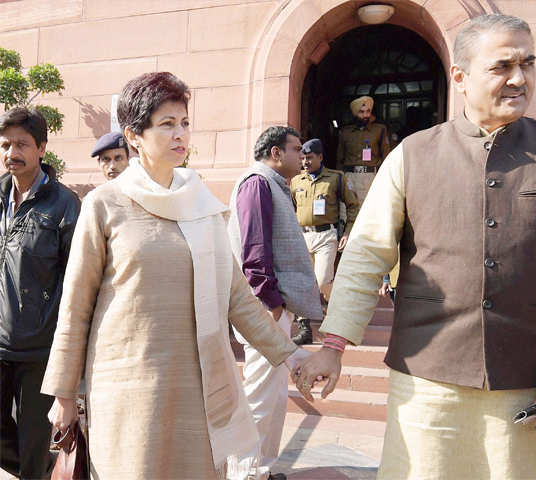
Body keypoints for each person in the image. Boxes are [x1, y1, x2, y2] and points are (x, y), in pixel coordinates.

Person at [296, 14, 536, 479]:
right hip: (427, 389)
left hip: (534, 384)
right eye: (502, 66)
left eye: (528, 64)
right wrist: (333, 344)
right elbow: (366, 257)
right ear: (461, 77)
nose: (519, 78)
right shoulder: (411, 154)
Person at [41, 72, 310, 479]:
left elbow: (237, 297)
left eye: (184, 123)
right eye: (166, 124)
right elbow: (76, 305)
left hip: (198, 388)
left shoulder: (202, 204)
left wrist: (292, 355)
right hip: (128, 389)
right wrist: (63, 393)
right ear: (133, 135)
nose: (180, 134)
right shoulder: (104, 205)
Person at [227, 126, 323, 480]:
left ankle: (260, 469)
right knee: (260, 395)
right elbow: (254, 250)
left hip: (268, 306)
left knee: (273, 395)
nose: (303, 157)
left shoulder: (271, 184)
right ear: (275, 153)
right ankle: (245, 472)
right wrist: (269, 302)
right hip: (262, 306)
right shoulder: (257, 183)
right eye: (296, 149)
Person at [0, 107, 81, 479]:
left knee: (34, 445)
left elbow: (76, 281)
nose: (11, 153)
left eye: (21, 144)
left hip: (40, 351)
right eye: (5, 145)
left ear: (42, 149)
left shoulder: (64, 205)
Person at [290, 138, 358, 345]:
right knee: (302, 284)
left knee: (321, 281)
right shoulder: (296, 181)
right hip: (302, 236)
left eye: (310, 158)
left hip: (326, 236)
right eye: (302, 158)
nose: (305, 162)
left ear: (320, 157)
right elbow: (291, 209)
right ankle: (304, 329)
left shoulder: (336, 178)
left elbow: (353, 205)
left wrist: (348, 231)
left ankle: (337, 311)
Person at [336, 96, 390, 214]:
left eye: (368, 111)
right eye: (361, 112)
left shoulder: (379, 130)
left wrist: (383, 179)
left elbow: (386, 156)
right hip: (349, 177)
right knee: (347, 212)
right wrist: (340, 180)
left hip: (370, 177)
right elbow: (340, 159)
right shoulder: (345, 132)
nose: (365, 115)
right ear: (355, 113)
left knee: (370, 213)